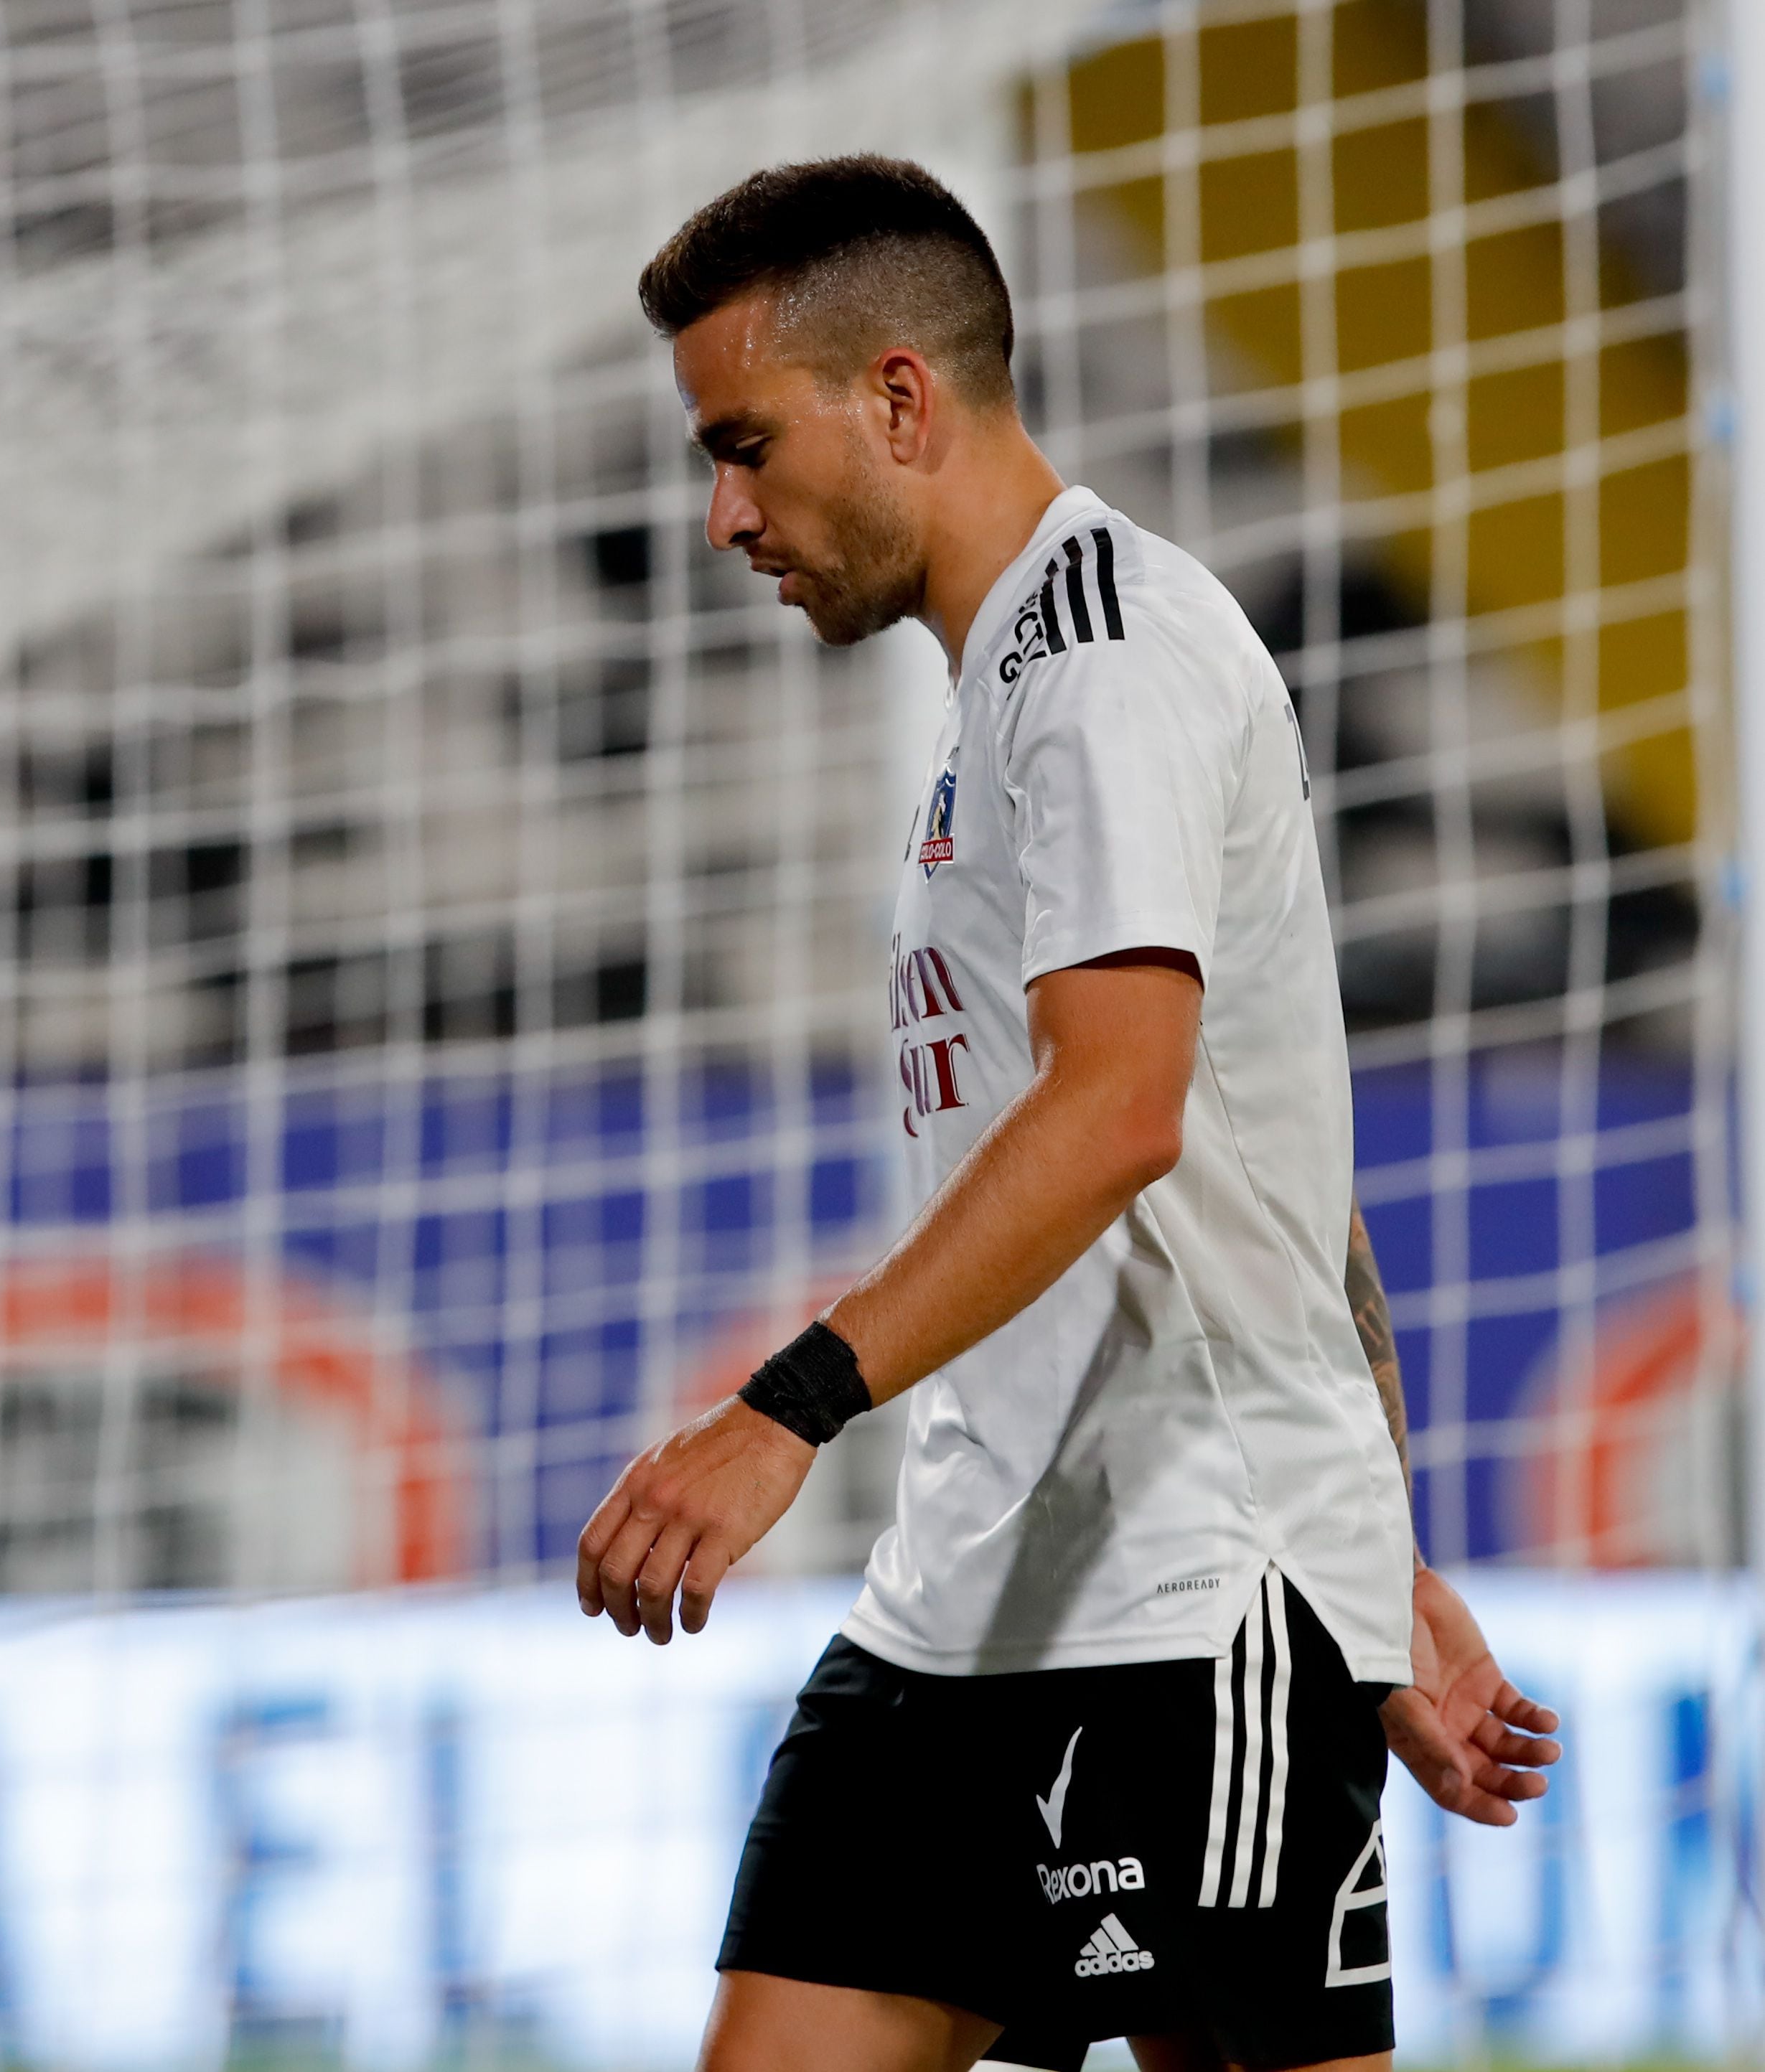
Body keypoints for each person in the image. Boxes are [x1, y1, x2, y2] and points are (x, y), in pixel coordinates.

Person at [573, 156, 1562, 2072]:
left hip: (1182, 1610)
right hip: (967, 1600)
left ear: (898, 400)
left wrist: (778, 1417)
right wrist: (1386, 1555)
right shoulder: (1010, 696)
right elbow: (1274, 1179)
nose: (723, 514)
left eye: (743, 444)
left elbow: (1119, 1118)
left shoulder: (1107, 657)